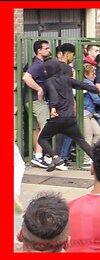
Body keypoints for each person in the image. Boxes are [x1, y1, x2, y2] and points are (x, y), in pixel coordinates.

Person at [38, 59, 100, 172]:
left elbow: (53, 94)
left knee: (42, 139)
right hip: (70, 119)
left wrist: (53, 107)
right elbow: (81, 84)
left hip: (57, 118)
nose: (45, 71)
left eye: (46, 69)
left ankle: (55, 158)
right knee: (81, 140)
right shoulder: (67, 80)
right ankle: (98, 162)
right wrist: (95, 89)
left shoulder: (49, 81)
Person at [23, 40, 51, 168]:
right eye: (45, 48)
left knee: (37, 128)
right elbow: (26, 77)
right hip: (36, 100)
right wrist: (39, 89)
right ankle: (39, 156)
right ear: (39, 50)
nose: (48, 50)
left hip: (30, 100)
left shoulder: (36, 63)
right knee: (44, 126)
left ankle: (36, 155)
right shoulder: (38, 64)